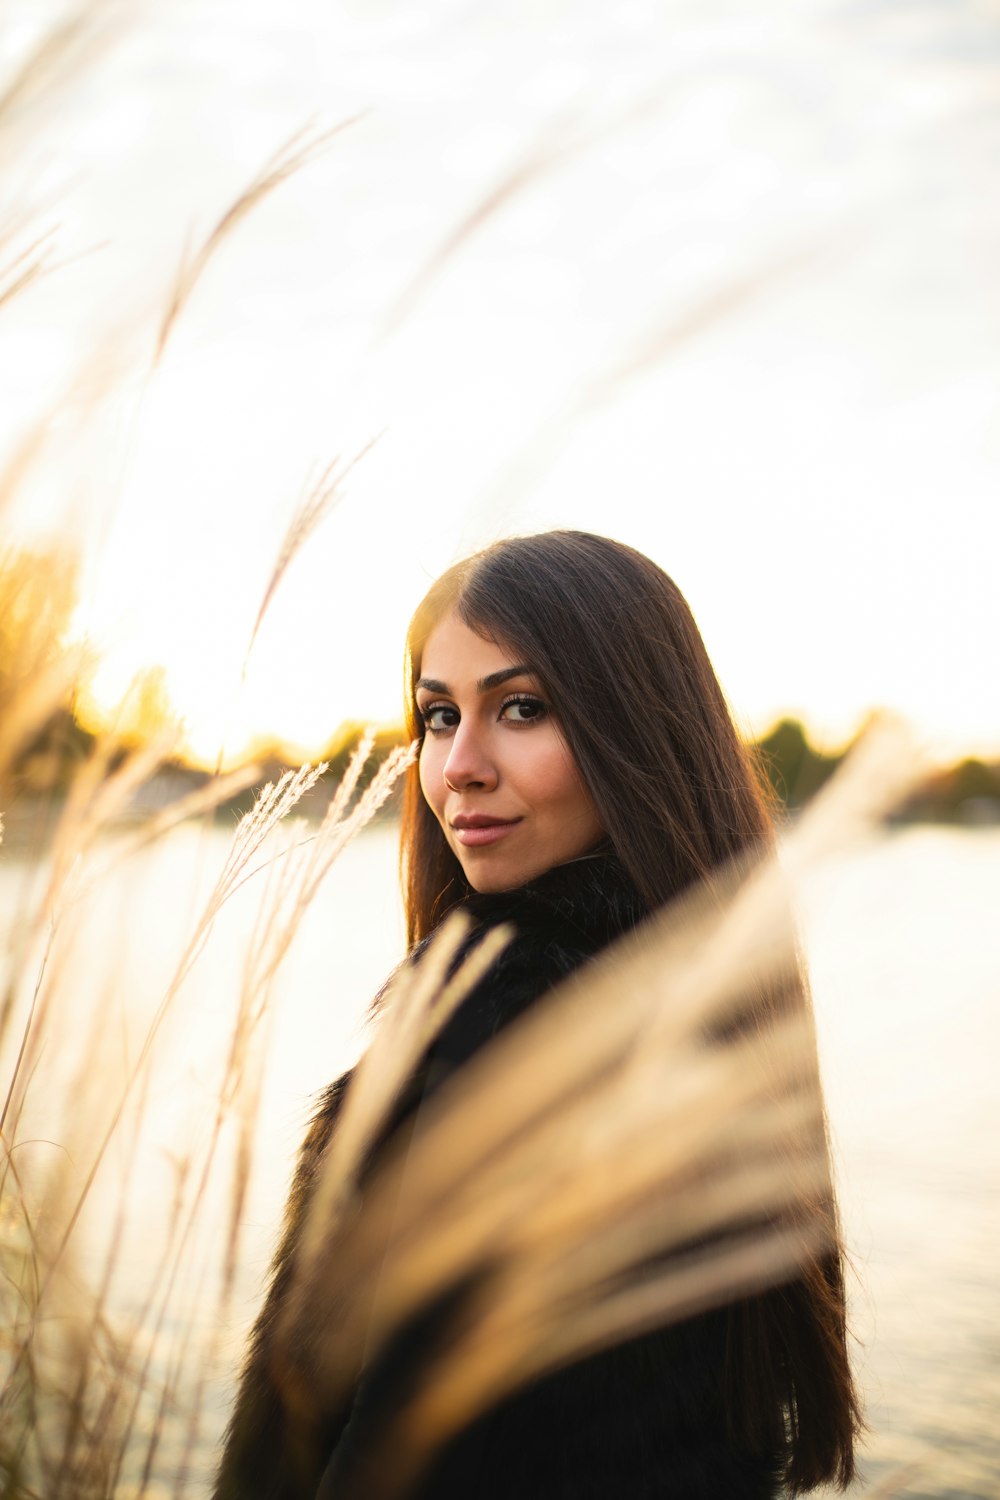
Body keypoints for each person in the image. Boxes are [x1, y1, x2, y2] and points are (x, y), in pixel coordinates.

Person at [214, 530, 863, 1500]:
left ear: (632, 732)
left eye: (521, 708)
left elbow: (403, 1452)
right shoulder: (695, 1004)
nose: (459, 766)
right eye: (437, 717)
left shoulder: (523, 1011)